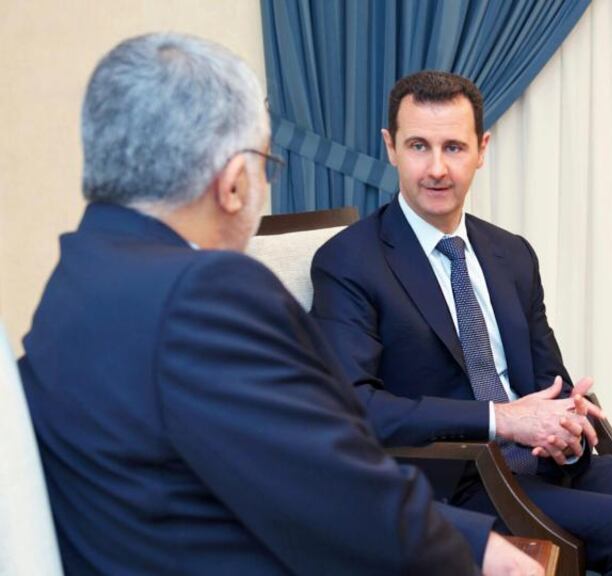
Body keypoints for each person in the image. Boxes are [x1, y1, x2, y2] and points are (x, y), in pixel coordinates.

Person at [18, 33, 542, 576]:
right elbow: (331, 482)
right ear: (233, 184)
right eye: (267, 164)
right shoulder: (208, 294)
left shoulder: (77, 272)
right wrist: (479, 551)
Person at [310, 70, 612, 575]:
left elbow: (545, 379)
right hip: (455, 482)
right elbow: (355, 407)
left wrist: (567, 416)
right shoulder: (351, 260)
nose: (437, 168)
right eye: (419, 146)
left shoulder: (510, 254)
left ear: (482, 149)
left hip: (547, 465)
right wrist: (502, 418)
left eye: (455, 147)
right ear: (390, 147)